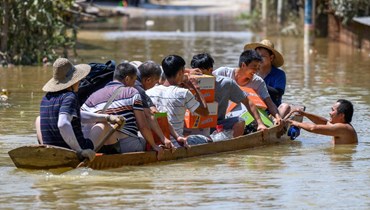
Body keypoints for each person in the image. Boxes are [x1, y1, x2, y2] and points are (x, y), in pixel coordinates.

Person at [39, 58, 124, 161]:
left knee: (38, 119)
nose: (79, 82)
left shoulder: (46, 98)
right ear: (72, 82)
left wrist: (107, 117)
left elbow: (78, 115)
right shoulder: (70, 96)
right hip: (73, 150)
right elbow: (63, 124)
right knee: (104, 125)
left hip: (52, 149)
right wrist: (80, 150)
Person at [81, 62, 164, 158]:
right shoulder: (132, 92)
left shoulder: (94, 95)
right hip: (123, 145)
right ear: (127, 79)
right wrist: (154, 146)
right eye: (134, 80)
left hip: (96, 144)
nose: (134, 84)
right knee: (142, 136)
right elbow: (143, 126)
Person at [190, 53, 268, 137]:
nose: (198, 78)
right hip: (195, 124)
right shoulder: (188, 83)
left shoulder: (226, 84)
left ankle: (230, 144)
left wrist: (260, 123)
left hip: (217, 124)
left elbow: (247, 101)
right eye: (196, 74)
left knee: (240, 121)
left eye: (201, 74)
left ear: (210, 70)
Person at [146, 55, 211, 148]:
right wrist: (196, 88)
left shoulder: (149, 92)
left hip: (156, 143)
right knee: (208, 139)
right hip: (177, 143)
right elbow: (205, 112)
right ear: (181, 72)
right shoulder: (183, 93)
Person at [212, 50, 283, 126]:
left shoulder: (258, 82)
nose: (256, 71)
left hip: (241, 119)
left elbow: (269, 102)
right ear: (243, 65)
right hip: (217, 114)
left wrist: (277, 117)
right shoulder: (223, 73)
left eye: (258, 67)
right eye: (254, 67)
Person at [131, 60, 175, 149]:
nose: (155, 86)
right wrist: (163, 139)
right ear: (148, 80)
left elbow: (154, 112)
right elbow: (149, 116)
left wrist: (176, 136)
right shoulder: (138, 89)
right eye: (155, 83)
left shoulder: (133, 82)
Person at [244, 39, 291, 117]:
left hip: (272, 111)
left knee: (285, 107)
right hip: (253, 107)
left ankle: (274, 124)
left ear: (271, 58)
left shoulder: (279, 74)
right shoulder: (251, 72)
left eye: (262, 56)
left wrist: (258, 84)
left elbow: (278, 94)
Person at [287, 99, 358, 144]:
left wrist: (293, 122)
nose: (330, 113)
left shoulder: (343, 128)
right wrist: (305, 114)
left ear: (341, 115)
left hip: (341, 165)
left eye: (333, 110)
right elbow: (325, 122)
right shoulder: (341, 126)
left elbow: (313, 128)